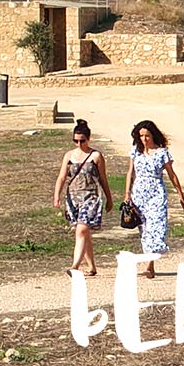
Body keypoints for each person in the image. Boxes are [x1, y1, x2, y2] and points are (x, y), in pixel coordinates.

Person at [124, 119, 184, 278]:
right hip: (139, 194)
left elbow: (172, 175)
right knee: (144, 229)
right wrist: (127, 194)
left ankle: (149, 264)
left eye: (147, 136)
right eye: (141, 136)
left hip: (156, 193)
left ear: (153, 136)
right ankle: (150, 264)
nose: (144, 139)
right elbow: (130, 173)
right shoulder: (135, 151)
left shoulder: (162, 153)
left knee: (156, 227)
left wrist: (180, 194)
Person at [52, 118, 112, 277]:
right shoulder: (69, 156)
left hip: (91, 197)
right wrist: (56, 195)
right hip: (73, 198)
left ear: (88, 138)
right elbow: (62, 177)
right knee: (83, 234)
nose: (79, 144)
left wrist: (109, 198)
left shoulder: (96, 156)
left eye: (82, 140)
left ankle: (75, 266)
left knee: (81, 230)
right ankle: (92, 266)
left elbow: (103, 178)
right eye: (75, 140)